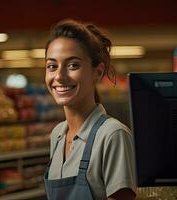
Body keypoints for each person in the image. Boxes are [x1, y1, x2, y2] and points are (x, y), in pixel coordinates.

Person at [43, 19, 137, 200]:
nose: (59, 76)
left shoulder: (112, 135)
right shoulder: (57, 136)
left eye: (73, 65)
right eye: (52, 66)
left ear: (98, 72)